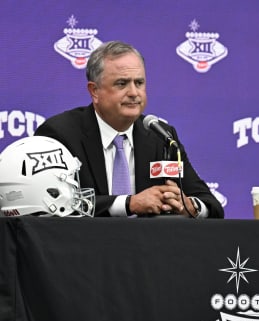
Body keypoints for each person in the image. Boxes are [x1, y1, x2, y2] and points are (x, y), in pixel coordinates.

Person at [35, 40, 224, 218]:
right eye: (122, 83)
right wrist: (128, 204)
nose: (134, 93)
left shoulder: (160, 136)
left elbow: (212, 205)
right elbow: (49, 204)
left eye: (139, 83)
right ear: (94, 91)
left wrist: (191, 206)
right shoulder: (60, 135)